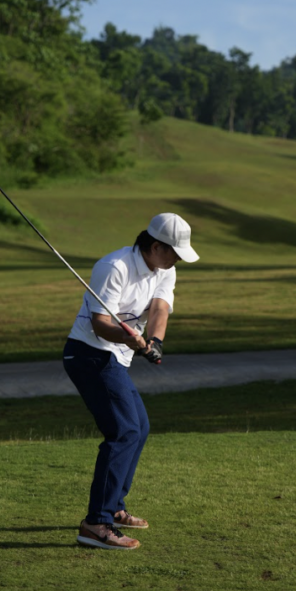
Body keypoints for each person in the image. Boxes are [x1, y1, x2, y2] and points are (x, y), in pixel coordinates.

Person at [63, 212, 199, 550]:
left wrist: (154, 342)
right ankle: (97, 522)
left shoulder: (164, 269)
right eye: (175, 252)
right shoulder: (115, 266)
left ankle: (114, 505)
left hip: (114, 357)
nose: (178, 260)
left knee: (140, 426)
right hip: (88, 354)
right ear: (155, 246)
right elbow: (100, 323)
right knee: (124, 430)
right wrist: (129, 341)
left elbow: (159, 310)